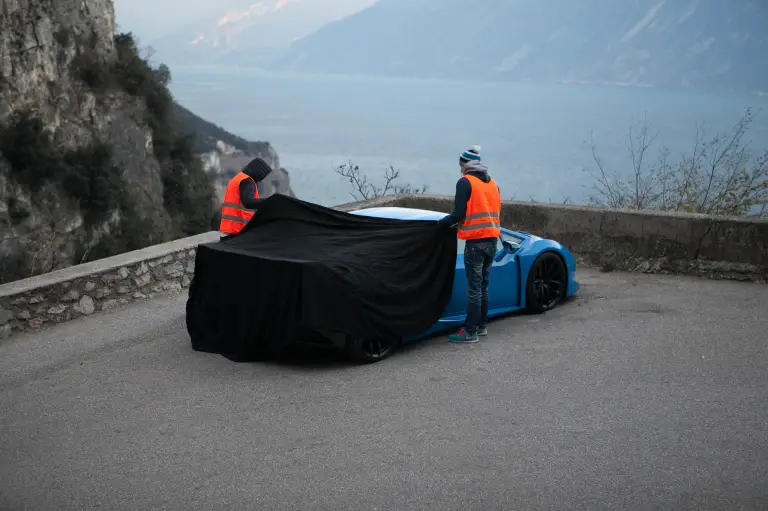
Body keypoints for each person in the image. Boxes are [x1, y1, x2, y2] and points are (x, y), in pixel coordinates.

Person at [437, 145, 501, 343]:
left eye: (460, 165)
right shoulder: (493, 184)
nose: (459, 169)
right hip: (492, 242)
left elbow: (458, 214)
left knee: (474, 289)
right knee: (483, 287)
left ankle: (470, 331)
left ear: (466, 164)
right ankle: (481, 326)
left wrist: (439, 224)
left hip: (475, 243)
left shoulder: (465, 182)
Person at [219, 157, 273, 240]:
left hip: (229, 229)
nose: (260, 181)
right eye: (261, 177)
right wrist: (269, 201)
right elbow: (248, 202)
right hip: (237, 231)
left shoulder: (238, 178)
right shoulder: (247, 181)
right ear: (257, 173)